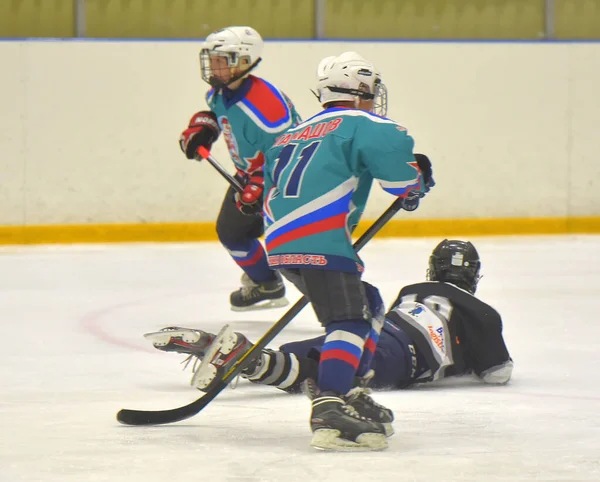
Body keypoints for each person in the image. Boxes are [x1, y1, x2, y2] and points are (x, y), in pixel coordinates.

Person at [159, 51, 435, 451]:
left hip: (279, 241)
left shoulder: (294, 133)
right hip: (320, 238)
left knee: (369, 302)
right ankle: (330, 402)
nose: (374, 99)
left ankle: (352, 389)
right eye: (371, 91)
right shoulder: (370, 125)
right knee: (349, 320)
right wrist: (418, 177)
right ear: (360, 90)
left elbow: (266, 181)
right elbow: (401, 184)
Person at [145, 240, 513, 445]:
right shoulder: (483, 312)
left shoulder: (413, 290)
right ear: (473, 275)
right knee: (334, 376)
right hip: (403, 356)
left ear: (433, 270)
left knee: (323, 357)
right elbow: (498, 372)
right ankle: (248, 360)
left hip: (375, 332)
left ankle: (247, 357)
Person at [178, 26, 302, 311]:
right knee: (232, 232)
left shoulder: (266, 107)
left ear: (245, 61)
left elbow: (289, 152)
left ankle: (329, 293)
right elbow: (218, 114)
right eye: (213, 58)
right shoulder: (220, 93)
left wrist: (262, 182)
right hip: (250, 178)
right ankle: (267, 284)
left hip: (286, 181)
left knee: (290, 242)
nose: (215, 65)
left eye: (223, 59)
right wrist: (204, 127)